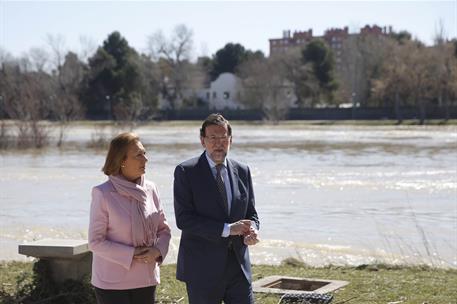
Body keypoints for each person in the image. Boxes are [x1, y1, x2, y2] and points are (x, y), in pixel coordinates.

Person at [173, 113, 260, 304]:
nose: (218, 143)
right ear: (202, 140)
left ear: (231, 140)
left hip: (238, 267)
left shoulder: (243, 170)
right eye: (213, 138)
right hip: (202, 269)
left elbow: (251, 213)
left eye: (223, 138)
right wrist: (228, 229)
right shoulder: (186, 171)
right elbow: (184, 219)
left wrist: (251, 230)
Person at [88, 132, 171, 304]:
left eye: (145, 153)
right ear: (122, 161)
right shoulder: (102, 193)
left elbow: (164, 230)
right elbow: (95, 242)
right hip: (112, 283)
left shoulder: (151, 188)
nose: (145, 159)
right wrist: (131, 254)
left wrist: (158, 251)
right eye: (138, 155)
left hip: (146, 278)